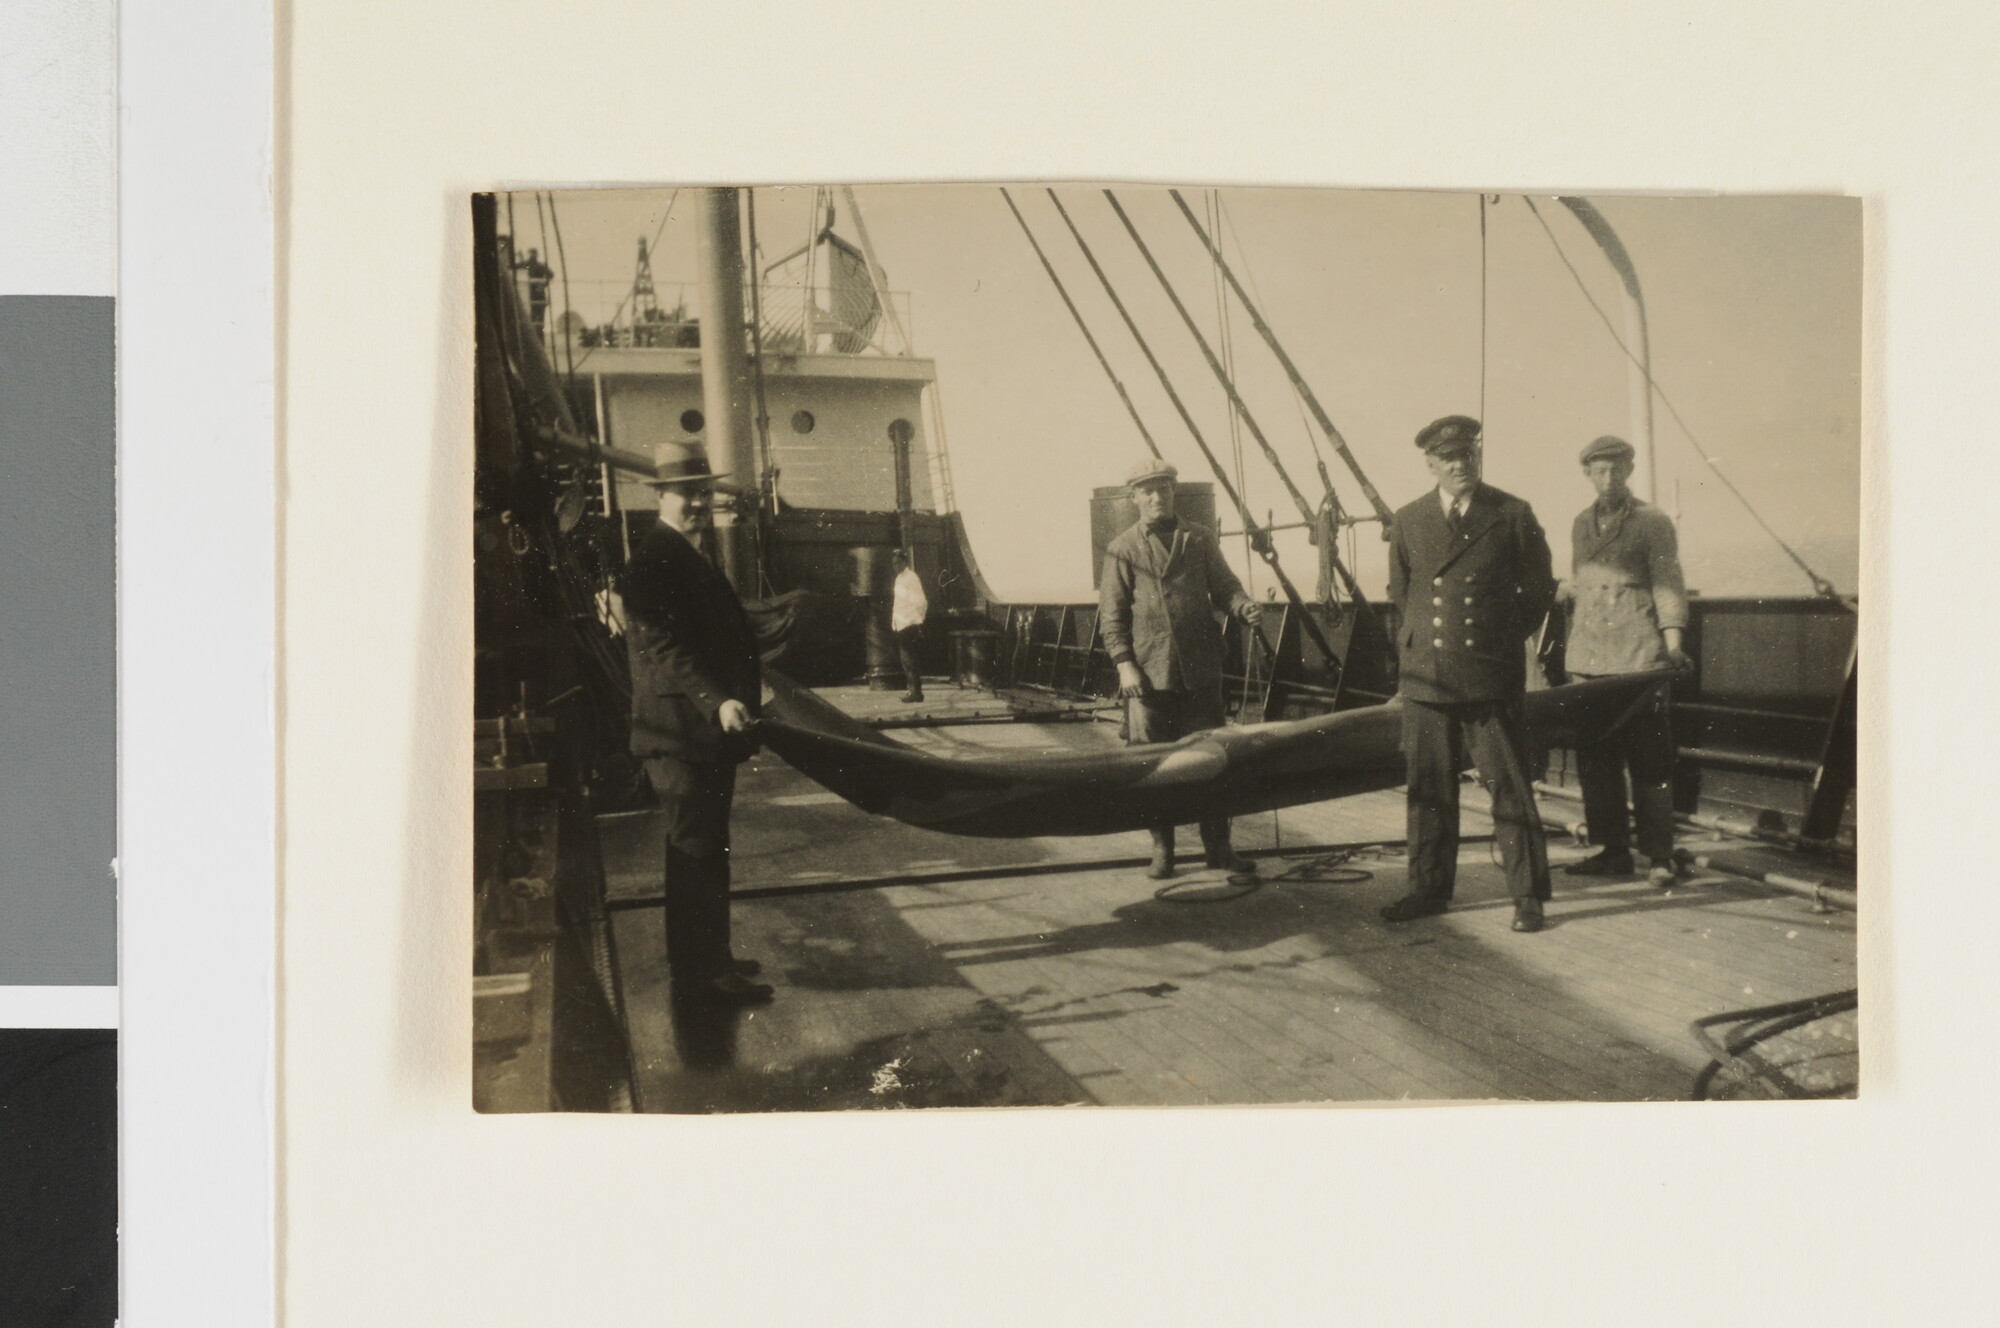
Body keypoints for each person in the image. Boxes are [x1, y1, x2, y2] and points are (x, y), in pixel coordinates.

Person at [1379, 415, 1558, 933]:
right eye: (1450, 458)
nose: (1461, 465)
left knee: (1509, 787)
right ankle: (1428, 890)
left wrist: (1502, 636)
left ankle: (1527, 895)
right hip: (1426, 677)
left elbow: (1540, 588)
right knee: (1429, 788)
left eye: (1468, 456)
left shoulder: (1510, 513)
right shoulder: (1409, 519)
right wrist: (1415, 650)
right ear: (1431, 464)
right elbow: (1401, 591)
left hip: (1487, 673)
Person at [620, 439, 774, 1006]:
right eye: (687, 493)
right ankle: (703, 975)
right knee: (696, 853)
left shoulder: (685, 552)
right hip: (681, 736)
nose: (698, 503)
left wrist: (748, 689)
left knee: (706, 849)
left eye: (704, 492)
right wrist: (718, 701)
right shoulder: (653, 560)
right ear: (662, 495)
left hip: (700, 736)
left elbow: (720, 634)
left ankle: (711, 958)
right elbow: (667, 647)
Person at [1098, 457, 1263, 881]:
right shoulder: (1122, 547)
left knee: (1213, 762)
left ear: (1175, 492)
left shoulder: (1200, 538)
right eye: (1148, 490)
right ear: (1134, 497)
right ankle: (1163, 850)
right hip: (1149, 675)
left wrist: (1242, 605)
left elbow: (1225, 586)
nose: (1157, 497)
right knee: (1154, 768)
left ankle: (1219, 848)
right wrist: (1124, 665)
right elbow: (1112, 616)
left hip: (1201, 671)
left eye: (1165, 489)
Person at [1559, 435, 1693, 889]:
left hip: (1639, 657)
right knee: (1596, 761)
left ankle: (1659, 855)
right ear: (1588, 474)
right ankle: (1612, 850)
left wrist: (1672, 645)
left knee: (1649, 760)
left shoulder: (1652, 521)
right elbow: (1585, 582)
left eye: (1616, 469)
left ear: (1628, 471)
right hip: (1589, 657)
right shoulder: (1581, 524)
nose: (1608, 478)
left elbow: (1667, 583)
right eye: (1599, 470)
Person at [890, 549, 929, 703]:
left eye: (898, 562)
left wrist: (917, 620)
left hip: (909, 623)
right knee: (905, 659)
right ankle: (912, 690)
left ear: (905, 562)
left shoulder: (911, 578)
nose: (896, 566)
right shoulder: (899, 579)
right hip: (901, 623)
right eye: (894, 563)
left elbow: (920, 601)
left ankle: (916, 692)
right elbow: (899, 602)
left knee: (910, 658)